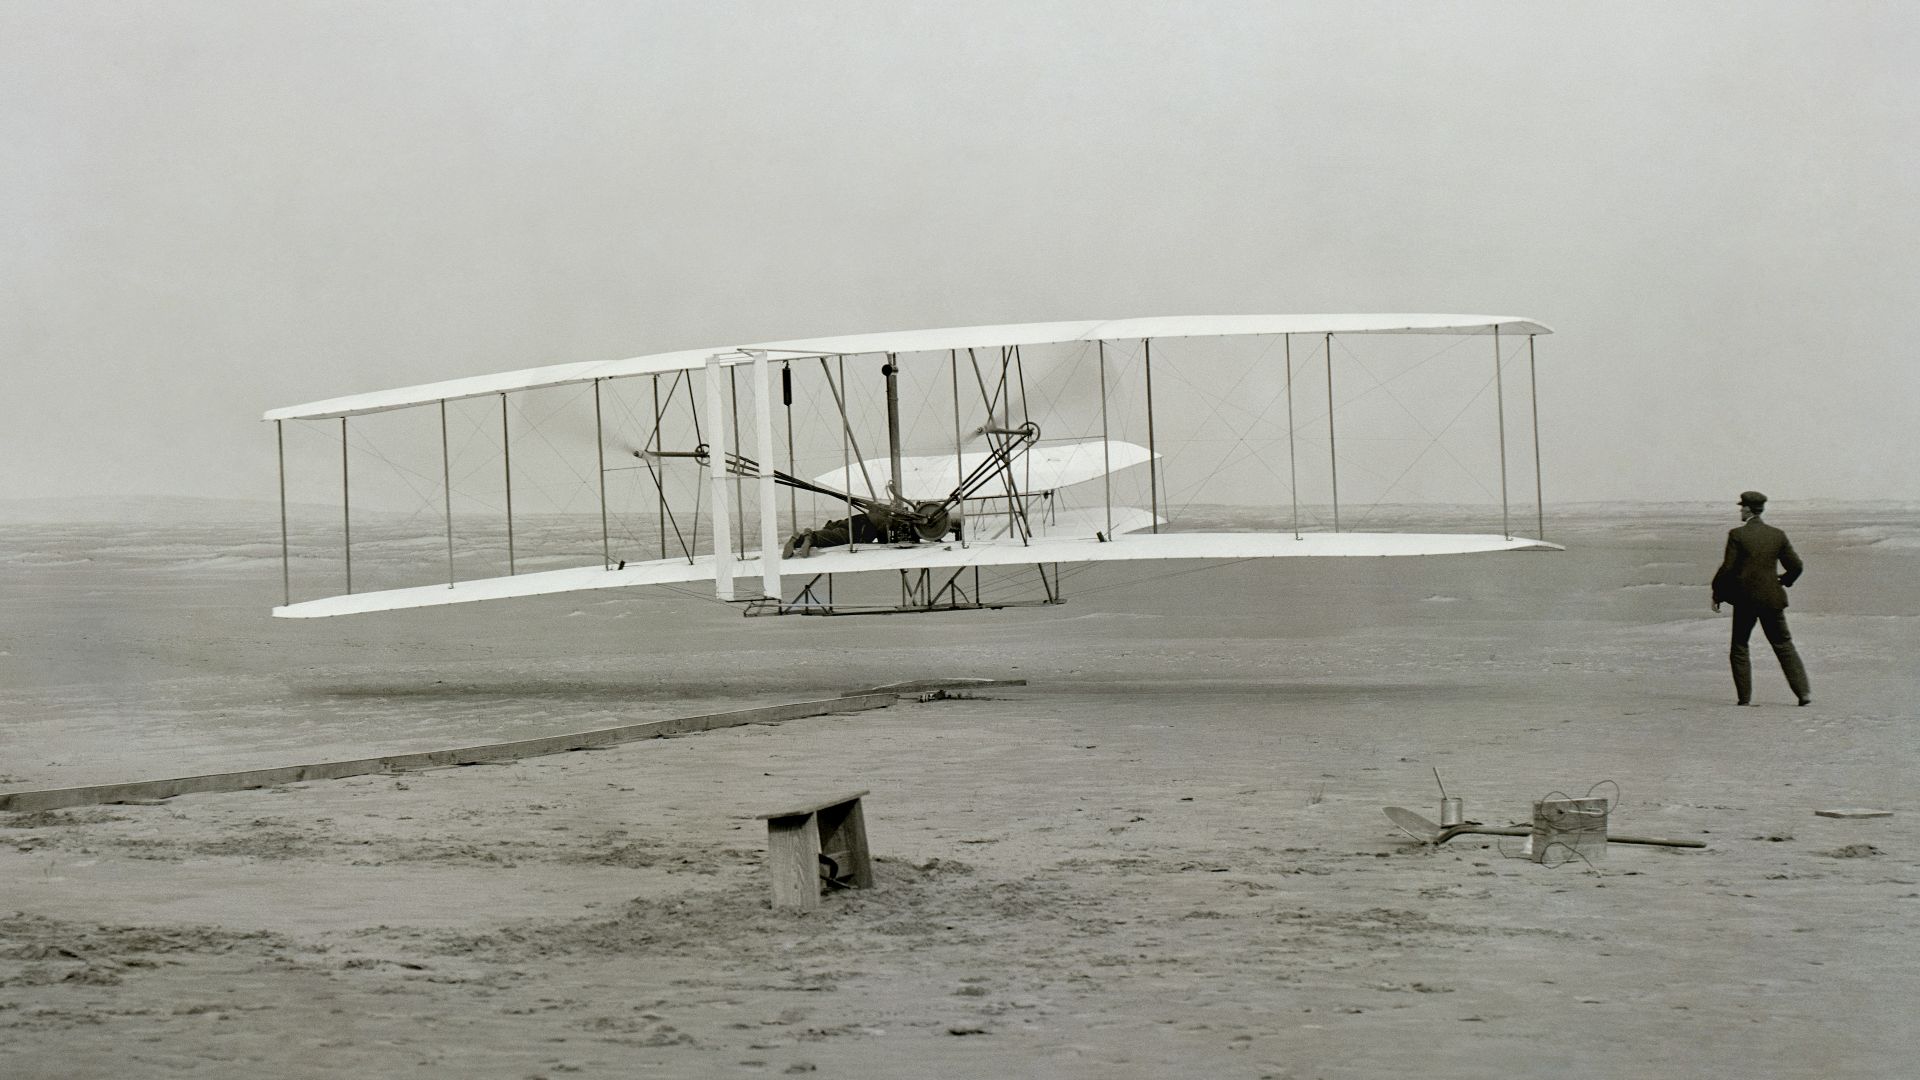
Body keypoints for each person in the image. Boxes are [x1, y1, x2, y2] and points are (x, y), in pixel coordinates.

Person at [1710, 490, 1811, 706]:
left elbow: (1728, 568)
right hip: (1772, 598)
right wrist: (1784, 580)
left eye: (1741, 507)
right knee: (1783, 645)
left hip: (1746, 600)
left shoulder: (1737, 534)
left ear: (1747, 509)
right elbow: (1796, 566)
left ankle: (1744, 699)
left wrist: (1718, 593)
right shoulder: (1777, 534)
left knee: (1740, 646)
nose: (1740, 510)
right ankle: (1804, 694)